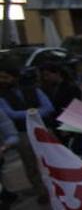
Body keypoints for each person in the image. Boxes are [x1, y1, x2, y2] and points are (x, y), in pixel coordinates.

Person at [0, 62, 54, 201]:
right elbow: (9, 114)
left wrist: (29, 113)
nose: (3, 81)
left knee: (52, 157)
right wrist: (33, 113)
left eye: (5, 77)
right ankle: (41, 191)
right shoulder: (2, 96)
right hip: (22, 131)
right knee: (30, 163)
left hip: (41, 127)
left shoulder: (33, 89)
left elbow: (48, 107)